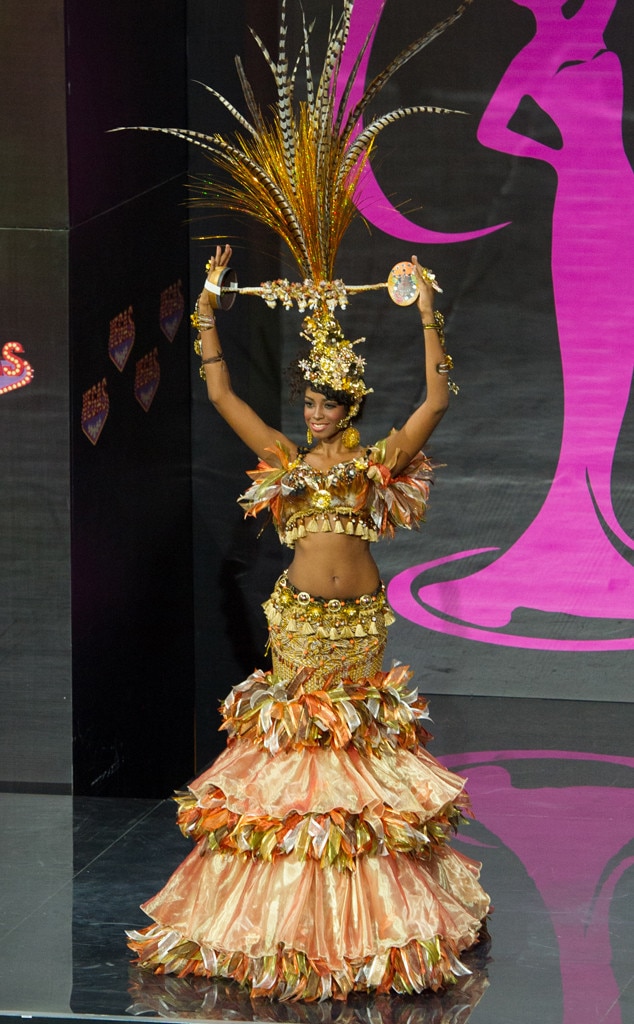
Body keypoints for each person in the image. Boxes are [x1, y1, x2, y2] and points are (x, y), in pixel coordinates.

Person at [126, 244, 490, 1001]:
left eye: (327, 405)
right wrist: (207, 310)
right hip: (298, 621)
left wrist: (427, 313)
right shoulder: (286, 457)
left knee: (354, 756)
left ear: (350, 409)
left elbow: (435, 403)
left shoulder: (374, 464)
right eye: (310, 404)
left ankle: (370, 918)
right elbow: (224, 396)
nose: (314, 415)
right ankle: (285, 918)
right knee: (298, 757)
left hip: (358, 624)